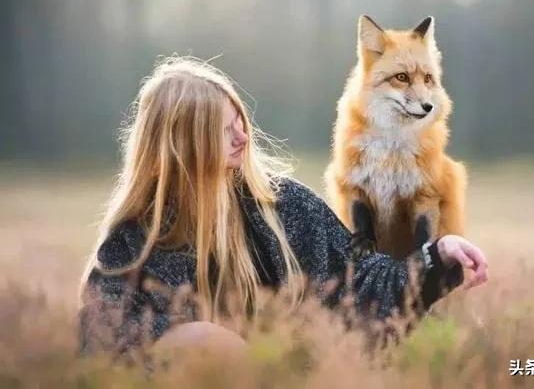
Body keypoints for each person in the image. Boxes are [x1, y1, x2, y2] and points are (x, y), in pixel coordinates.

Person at [77, 56, 488, 358]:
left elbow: (357, 282)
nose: (242, 137)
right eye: (224, 130)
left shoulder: (285, 206)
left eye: (240, 121)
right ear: (184, 145)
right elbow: (102, 338)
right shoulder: (136, 238)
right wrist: (193, 345)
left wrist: (435, 258)